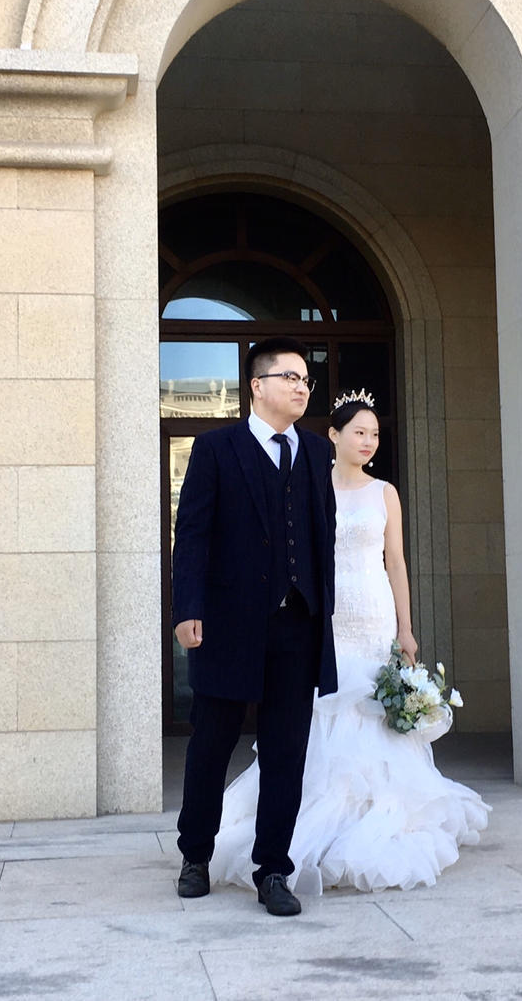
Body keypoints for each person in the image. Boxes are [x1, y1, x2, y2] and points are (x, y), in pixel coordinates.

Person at [210, 390, 489, 895]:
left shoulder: (385, 492)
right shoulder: (310, 484)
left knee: (371, 711)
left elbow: (395, 561)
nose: (368, 441)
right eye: (358, 432)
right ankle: (298, 819)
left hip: (374, 611)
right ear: (333, 435)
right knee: (320, 709)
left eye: (375, 434)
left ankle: (374, 814)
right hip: (326, 613)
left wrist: (405, 627)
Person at [172, 335, 337, 917]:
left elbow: (321, 536)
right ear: (257, 385)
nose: (301, 387)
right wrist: (187, 608)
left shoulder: (315, 451)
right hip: (227, 624)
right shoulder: (215, 448)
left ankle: (273, 870)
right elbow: (192, 533)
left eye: (306, 380)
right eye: (290, 377)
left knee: (287, 752)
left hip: (298, 626)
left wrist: (324, 613)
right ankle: (195, 855)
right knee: (212, 744)